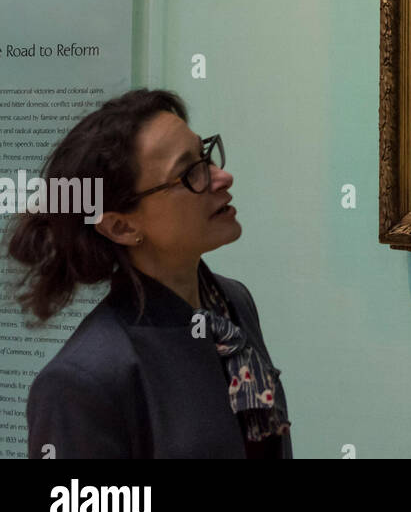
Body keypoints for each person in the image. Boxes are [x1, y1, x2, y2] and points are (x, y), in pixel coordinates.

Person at [7, 88, 292, 458]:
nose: (222, 176)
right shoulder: (82, 380)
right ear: (121, 227)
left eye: (205, 155)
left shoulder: (233, 303)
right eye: (190, 172)